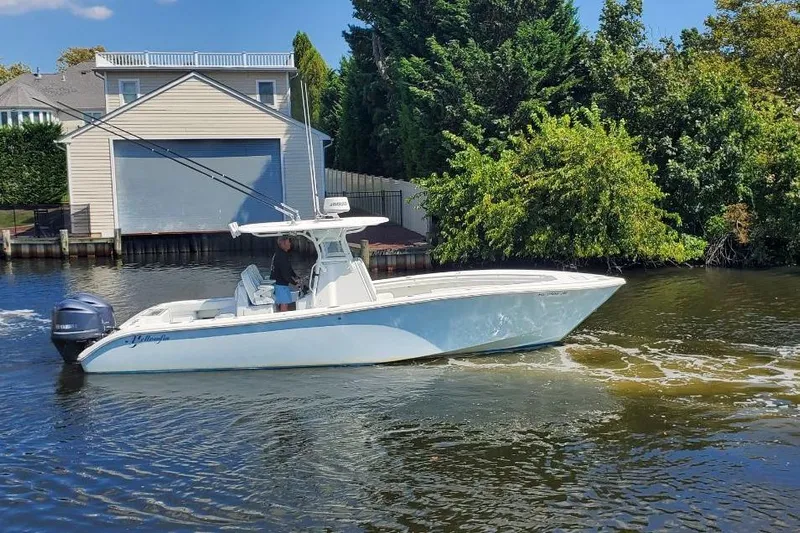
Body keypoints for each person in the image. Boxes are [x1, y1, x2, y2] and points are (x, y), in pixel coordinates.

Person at [270, 235, 300, 312]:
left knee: (284, 302)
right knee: (284, 304)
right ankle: (283, 318)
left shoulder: (282, 254)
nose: (290, 243)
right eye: (288, 241)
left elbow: (288, 269)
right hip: (280, 284)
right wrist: (294, 283)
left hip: (281, 283)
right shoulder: (281, 256)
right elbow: (285, 274)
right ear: (283, 243)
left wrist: (295, 276)